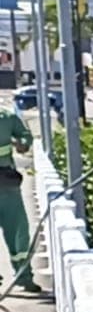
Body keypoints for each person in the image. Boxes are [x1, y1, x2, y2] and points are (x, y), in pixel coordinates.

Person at [0, 105, 37, 294]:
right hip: (7, 185)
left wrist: (22, 143)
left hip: (6, 184)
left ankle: (24, 276)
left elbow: (25, 136)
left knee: (18, 231)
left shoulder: (6, 118)